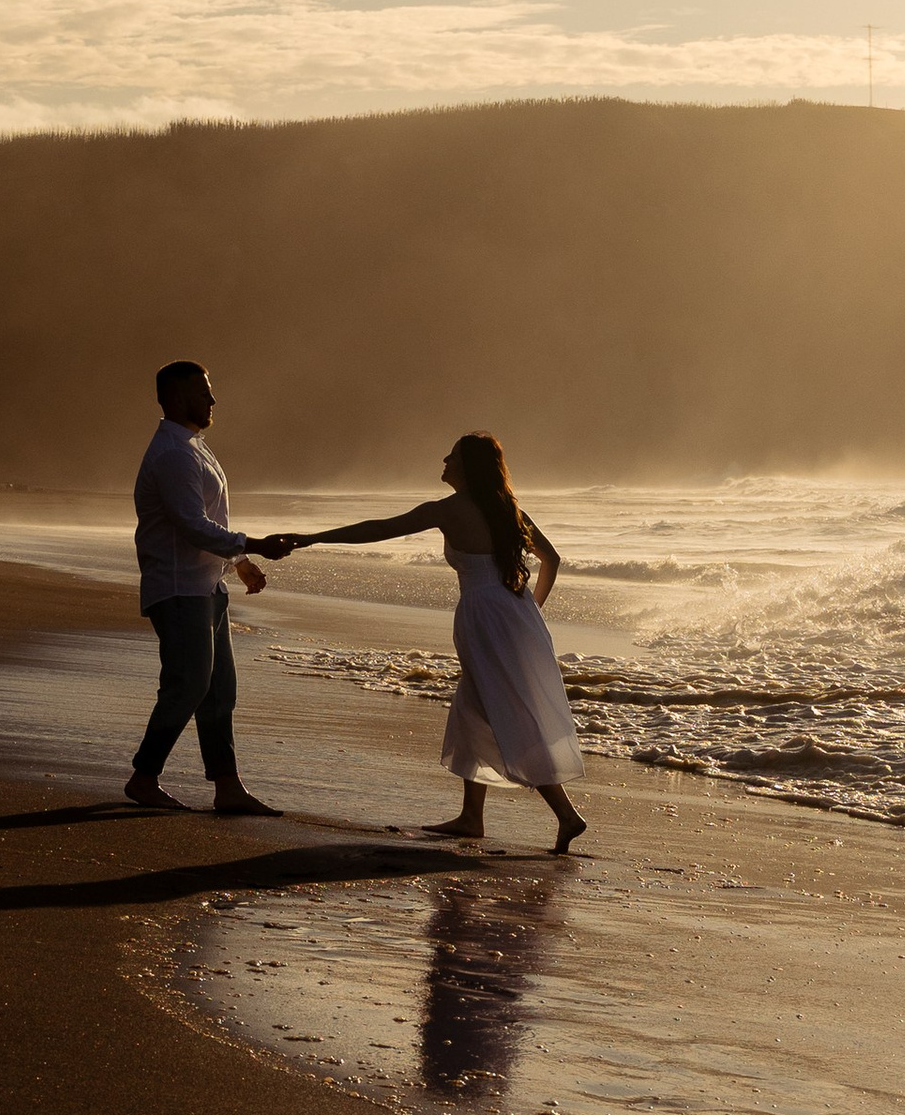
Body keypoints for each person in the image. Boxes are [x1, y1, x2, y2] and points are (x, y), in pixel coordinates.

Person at [255, 432, 587, 851]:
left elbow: (380, 529)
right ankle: (471, 818)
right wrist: (530, 610)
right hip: (516, 613)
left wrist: (314, 537)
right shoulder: (507, 509)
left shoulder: (449, 510)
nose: (444, 460)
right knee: (472, 707)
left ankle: (567, 814)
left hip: (485, 615)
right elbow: (551, 559)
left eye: (453, 456)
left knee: (506, 711)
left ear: (467, 466)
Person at [127, 361, 282, 818]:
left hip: (204, 586)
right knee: (189, 684)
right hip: (177, 589)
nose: (212, 401)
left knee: (218, 690)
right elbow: (191, 525)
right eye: (203, 393)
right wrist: (253, 544)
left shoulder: (193, 446)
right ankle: (143, 776)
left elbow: (208, 520)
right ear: (175, 398)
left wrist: (239, 561)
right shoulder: (174, 454)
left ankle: (228, 786)